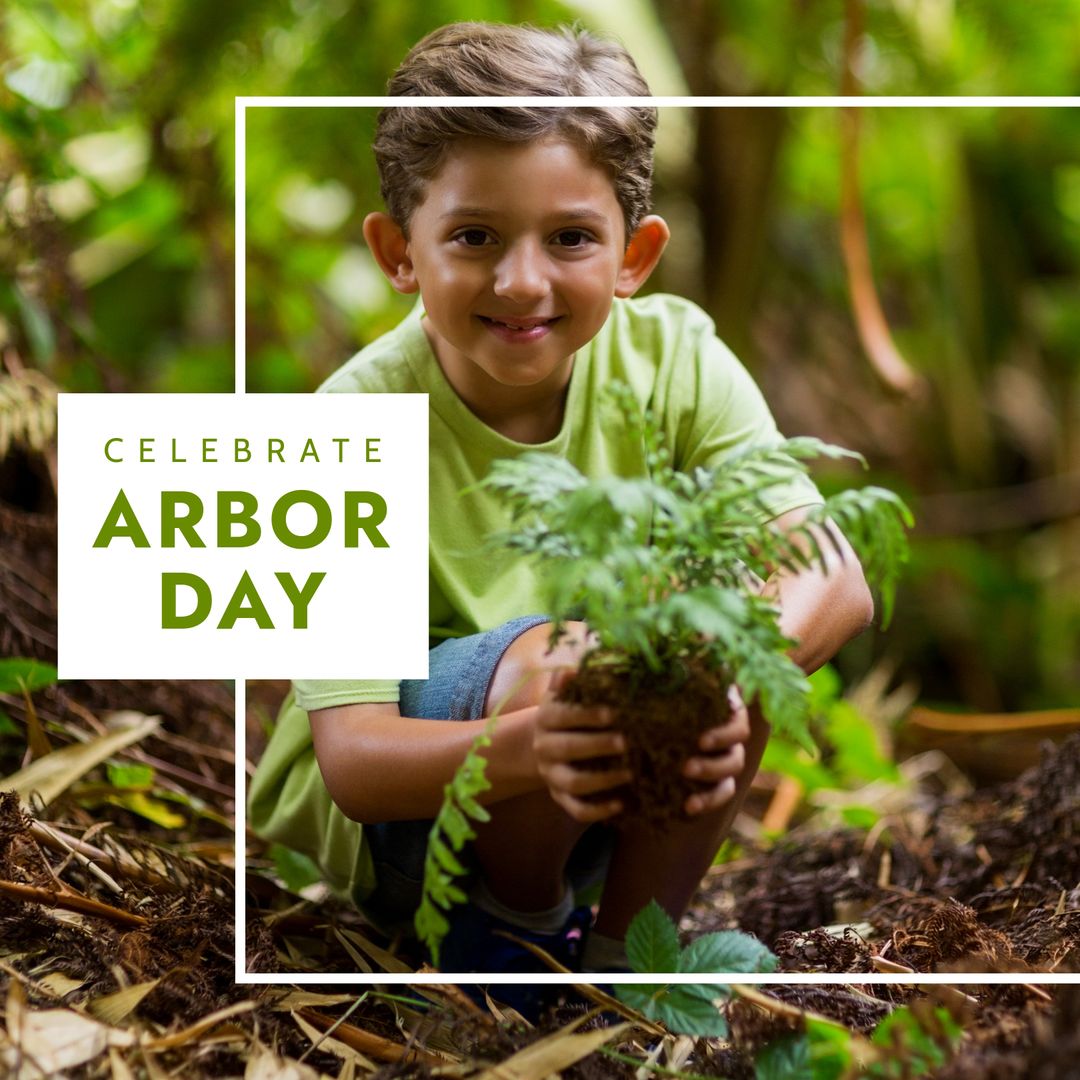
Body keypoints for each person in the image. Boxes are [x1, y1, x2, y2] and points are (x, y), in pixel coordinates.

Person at [248, 21, 874, 980]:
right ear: (398, 252)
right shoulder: (348, 423)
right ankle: (521, 935)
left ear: (635, 255)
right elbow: (356, 761)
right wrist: (533, 747)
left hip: (596, 782)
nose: (522, 280)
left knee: (713, 646)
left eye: (571, 237)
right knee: (578, 660)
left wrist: (720, 678)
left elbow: (829, 573)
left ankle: (630, 962)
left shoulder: (675, 359)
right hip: (406, 831)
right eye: (473, 236)